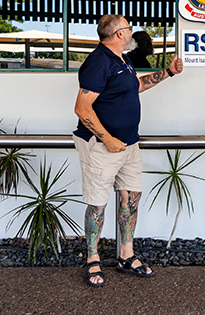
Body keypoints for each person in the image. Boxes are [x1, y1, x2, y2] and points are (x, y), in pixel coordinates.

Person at [73, 14, 184, 287]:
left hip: (129, 145)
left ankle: (126, 254)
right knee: (97, 203)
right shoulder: (97, 62)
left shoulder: (123, 60)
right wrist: (108, 139)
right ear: (120, 33)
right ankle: (92, 257)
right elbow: (82, 107)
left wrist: (168, 72)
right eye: (129, 28)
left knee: (131, 197)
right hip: (101, 146)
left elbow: (136, 86)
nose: (132, 32)